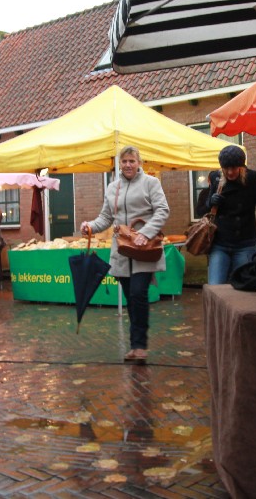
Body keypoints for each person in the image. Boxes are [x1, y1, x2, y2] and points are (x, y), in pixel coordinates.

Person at [80, 146, 170, 363]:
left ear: (139, 163)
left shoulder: (151, 183)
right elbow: (105, 218)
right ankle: (135, 345)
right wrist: (90, 226)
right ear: (119, 164)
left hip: (144, 249)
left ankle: (140, 346)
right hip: (122, 251)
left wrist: (146, 233)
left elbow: (162, 210)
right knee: (131, 298)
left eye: (132, 161)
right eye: (124, 161)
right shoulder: (113, 188)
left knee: (138, 293)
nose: (128, 165)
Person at [203, 144, 256, 285]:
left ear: (242, 166)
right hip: (220, 244)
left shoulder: (254, 179)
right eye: (226, 168)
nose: (230, 172)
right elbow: (204, 208)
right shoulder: (216, 177)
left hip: (245, 244)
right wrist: (211, 201)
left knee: (242, 288)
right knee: (215, 287)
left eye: (234, 168)